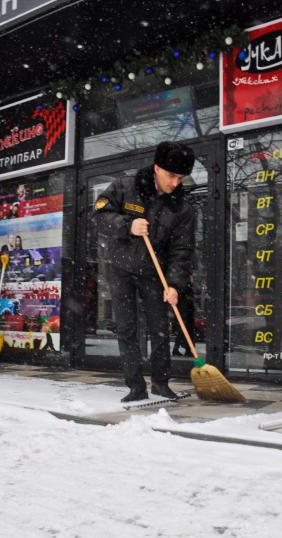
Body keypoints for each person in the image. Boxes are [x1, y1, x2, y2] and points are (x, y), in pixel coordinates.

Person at [93, 141, 195, 402]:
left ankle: (160, 383)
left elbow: (182, 251)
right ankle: (135, 386)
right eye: (171, 175)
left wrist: (174, 284)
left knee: (159, 328)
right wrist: (127, 225)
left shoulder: (181, 207)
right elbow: (99, 214)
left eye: (180, 177)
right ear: (157, 168)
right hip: (121, 268)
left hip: (154, 272)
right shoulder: (126, 187)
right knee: (127, 328)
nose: (175, 183)